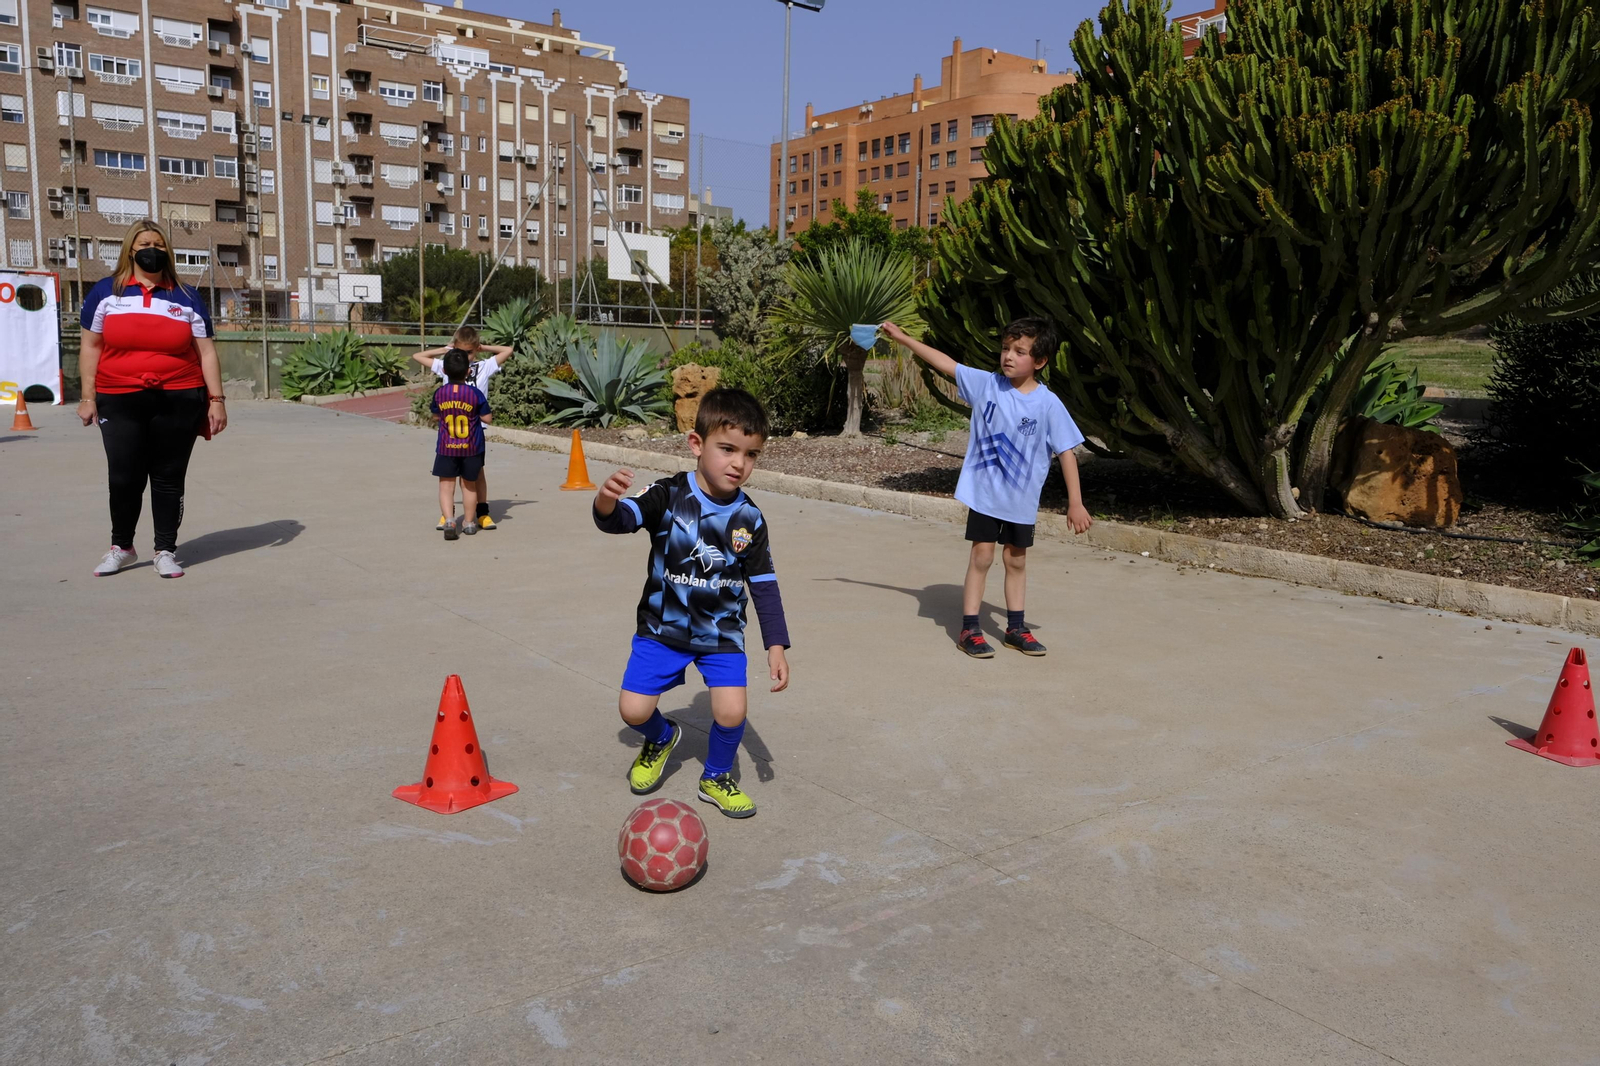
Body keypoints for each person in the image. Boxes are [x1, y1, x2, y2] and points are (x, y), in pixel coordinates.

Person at [592, 388, 791, 819]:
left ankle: (716, 776)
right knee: (633, 709)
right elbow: (620, 520)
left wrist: (775, 644)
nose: (739, 463)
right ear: (696, 444)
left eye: (751, 454)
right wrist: (606, 499)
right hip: (662, 628)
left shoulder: (750, 519)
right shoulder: (667, 494)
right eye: (728, 449)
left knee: (732, 710)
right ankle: (662, 737)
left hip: (720, 633)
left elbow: (763, 583)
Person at [881, 318, 1091, 658]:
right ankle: (970, 628)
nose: (1008, 356)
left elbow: (1066, 452)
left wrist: (1076, 503)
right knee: (982, 556)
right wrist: (903, 339)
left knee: (1016, 560)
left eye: (1019, 351)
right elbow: (946, 364)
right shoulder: (987, 385)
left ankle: (1016, 629)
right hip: (986, 494)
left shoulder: (1047, 403)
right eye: (1006, 348)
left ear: (1040, 361)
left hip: (1020, 501)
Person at [76, 219, 228, 579]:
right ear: (131, 248)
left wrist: (217, 399)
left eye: (160, 245)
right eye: (146, 244)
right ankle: (122, 547)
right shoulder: (105, 292)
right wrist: (87, 397)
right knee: (124, 476)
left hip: (178, 398)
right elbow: (90, 347)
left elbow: (206, 352)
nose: (153, 250)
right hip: (118, 398)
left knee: (168, 477)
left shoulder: (187, 296)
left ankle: (165, 550)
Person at [412, 326, 513, 531]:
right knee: (451, 479)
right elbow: (417, 355)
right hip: (453, 431)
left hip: (474, 432)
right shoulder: (448, 365)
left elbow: (507, 350)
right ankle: (449, 516)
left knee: (476, 475)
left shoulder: (483, 366)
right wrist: (446, 350)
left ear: (475, 349)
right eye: (461, 352)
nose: (466, 357)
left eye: (470, 352)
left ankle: (481, 513)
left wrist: (482, 348)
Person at [429, 349, 492, 541]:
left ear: (445, 372)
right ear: (468, 372)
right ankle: (470, 522)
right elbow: (487, 418)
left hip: (447, 447)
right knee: (469, 486)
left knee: (446, 486)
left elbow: (435, 414)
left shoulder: (440, 393)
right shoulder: (475, 394)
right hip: (471, 447)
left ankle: (449, 521)